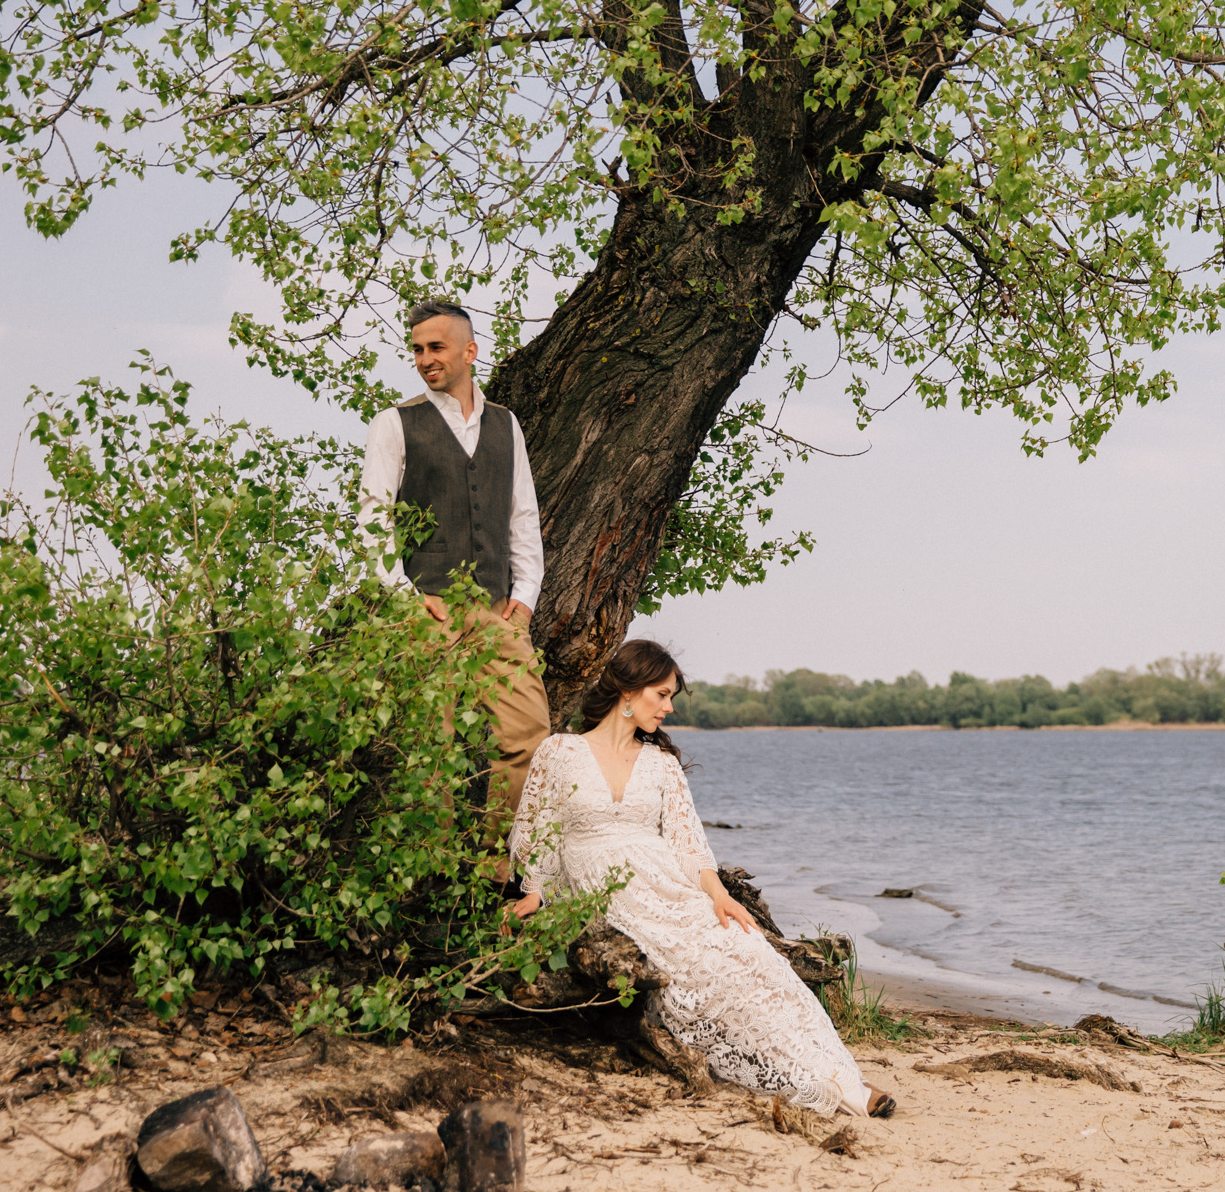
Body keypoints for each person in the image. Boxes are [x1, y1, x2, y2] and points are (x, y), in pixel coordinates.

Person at [506, 640, 896, 1119]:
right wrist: (535, 892)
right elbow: (539, 827)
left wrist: (719, 896)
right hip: (607, 897)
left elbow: (690, 847)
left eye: (672, 697)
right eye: (663, 694)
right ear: (629, 691)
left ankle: (841, 1079)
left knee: (752, 957)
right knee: (704, 978)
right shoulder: (560, 751)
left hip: (670, 889)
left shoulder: (662, 765)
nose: (669, 708)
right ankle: (832, 1084)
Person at [358, 300, 552, 857]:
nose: (424, 359)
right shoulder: (396, 422)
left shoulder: (505, 424)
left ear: (470, 351)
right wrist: (405, 598)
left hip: (497, 611)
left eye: (436, 347)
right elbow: (373, 521)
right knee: (432, 749)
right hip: (428, 609)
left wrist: (525, 598)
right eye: (417, 349)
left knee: (528, 737)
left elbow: (523, 515)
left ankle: (492, 865)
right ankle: (435, 875)